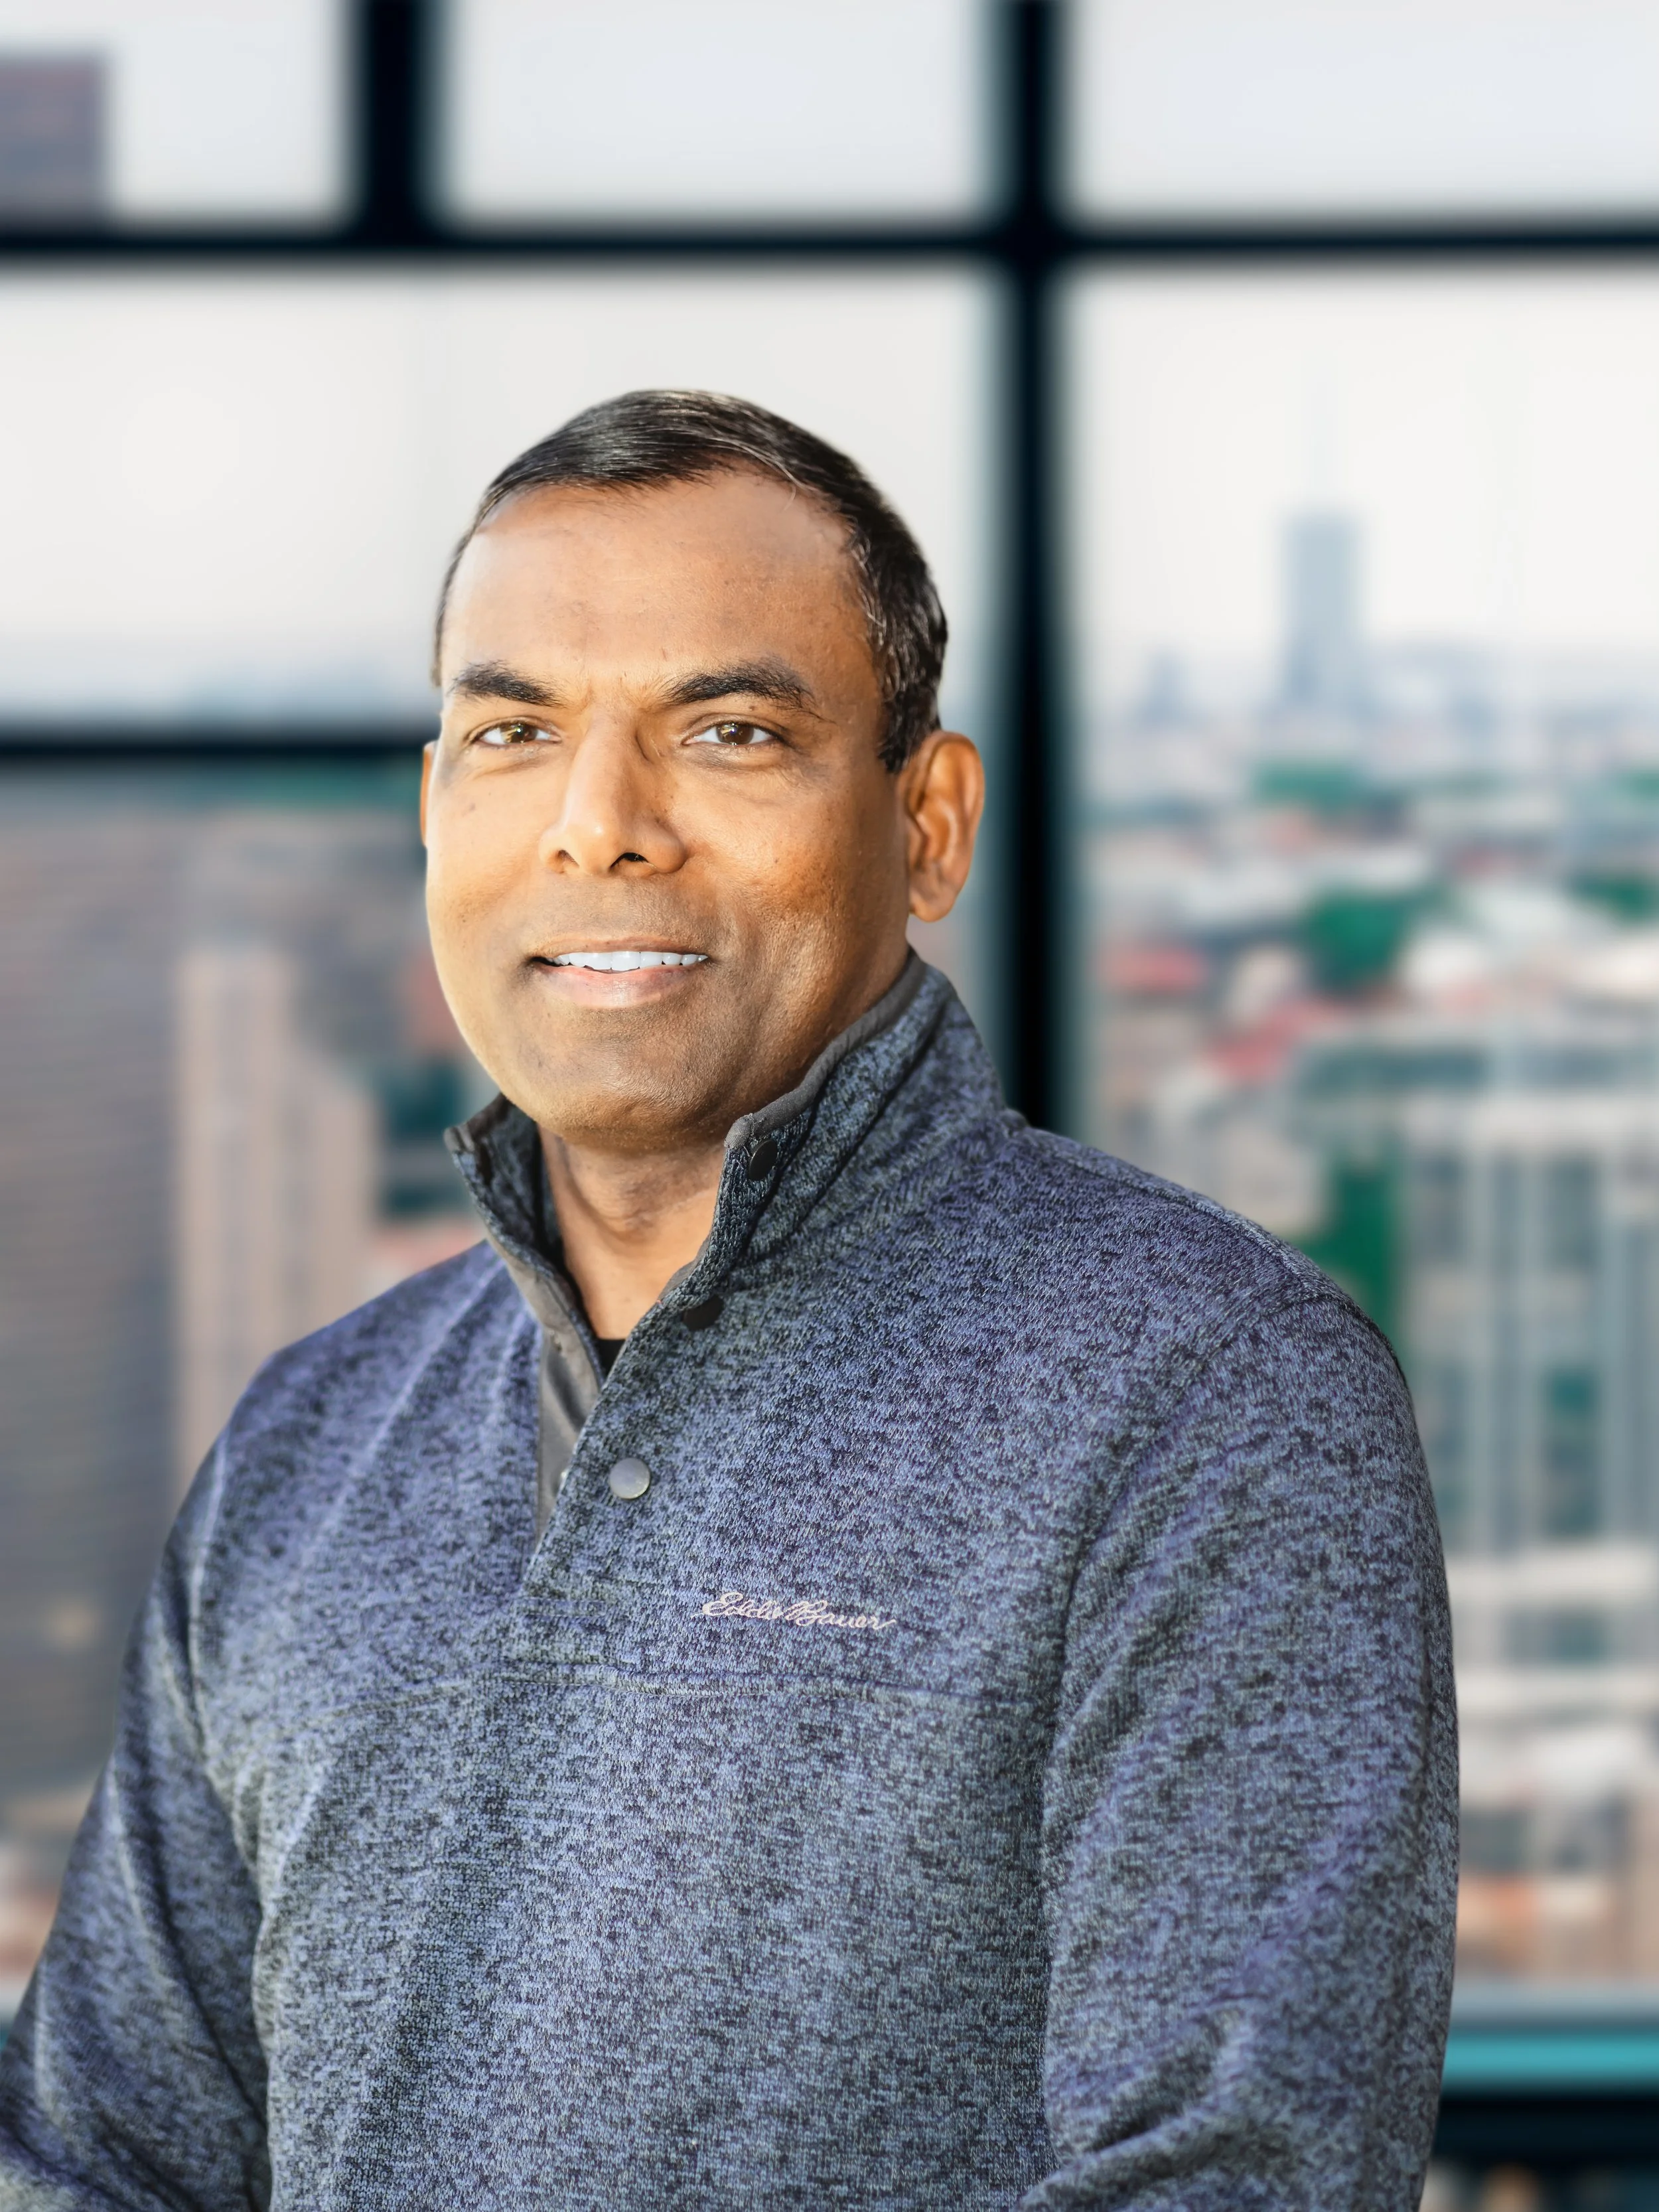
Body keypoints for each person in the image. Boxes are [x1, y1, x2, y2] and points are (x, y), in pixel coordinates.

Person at [0, 390, 1456, 2210]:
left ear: (924, 823)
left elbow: (1240, 2179)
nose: (599, 827)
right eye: (512, 730)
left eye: (731, 730)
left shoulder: (1211, 1392)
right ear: (437, 805)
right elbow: (102, 2155)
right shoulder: (311, 1431)